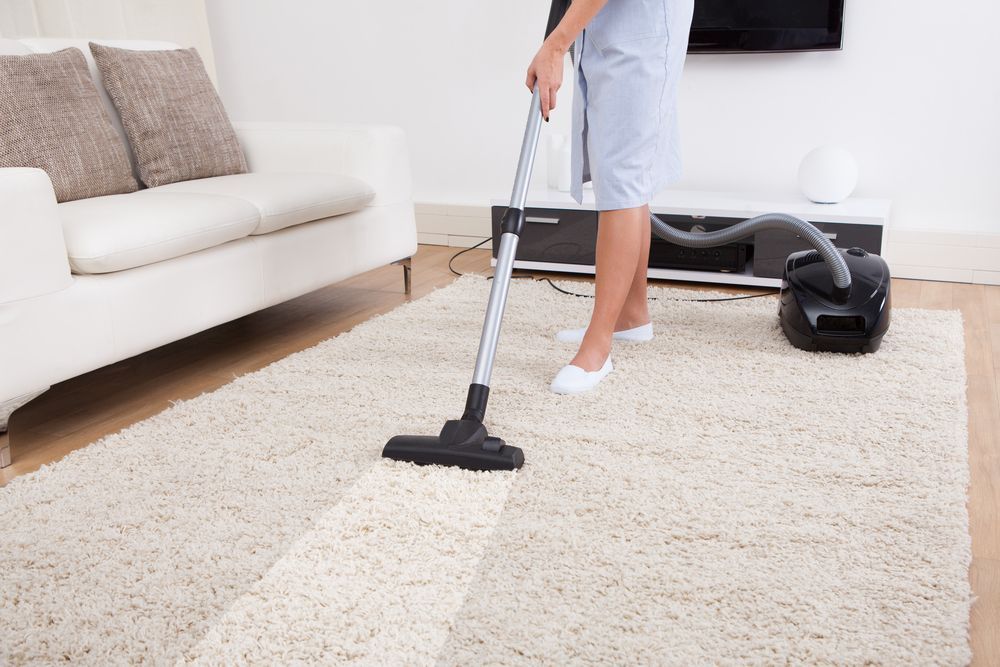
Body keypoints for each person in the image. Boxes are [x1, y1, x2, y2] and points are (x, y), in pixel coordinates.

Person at [526, 0, 694, 394]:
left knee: (622, 184)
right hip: (611, 29)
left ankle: (597, 346)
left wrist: (554, 46)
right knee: (623, 179)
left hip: (640, 32)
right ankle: (631, 317)